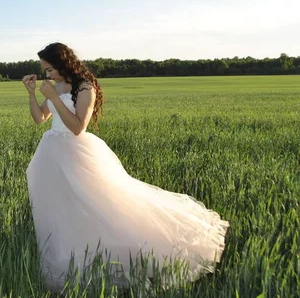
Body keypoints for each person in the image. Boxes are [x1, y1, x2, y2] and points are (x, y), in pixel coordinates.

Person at [23, 42, 229, 292]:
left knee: (99, 204)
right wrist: (33, 93)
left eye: (50, 70)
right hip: (51, 154)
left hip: (76, 153)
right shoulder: (55, 86)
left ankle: (119, 251)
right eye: (45, 71)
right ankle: (70, 255)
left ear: (63, 63)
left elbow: (78, 127)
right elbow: (40, 119)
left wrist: (54, 97)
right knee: (61, 208)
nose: (48, 75)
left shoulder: (85, 87)